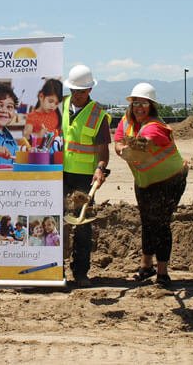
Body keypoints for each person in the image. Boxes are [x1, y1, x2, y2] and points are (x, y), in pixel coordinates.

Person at [114, 83, 187, 287]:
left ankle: (162, 272)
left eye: (144, 104)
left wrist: (134, 144)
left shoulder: (156, 126)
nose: (139, 108)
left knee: (161, 223)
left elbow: (148, 139)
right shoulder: (126, 122)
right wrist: (121, 148)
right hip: (144, 180)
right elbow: (118, 140)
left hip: (169, 180)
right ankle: (146, 266)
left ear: (151, 106)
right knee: (147, 221)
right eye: (136, 103)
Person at [61, 64, 111, 287]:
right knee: (55, 222)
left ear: (90, 89)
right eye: (74, 90)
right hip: (60, 174)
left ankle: (80, 272)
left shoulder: (98, 115)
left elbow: (103, 149)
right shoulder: (61, 106)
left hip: (84, 178)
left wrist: (100, 168)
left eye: (81, 91)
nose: (77, 95)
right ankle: (55, 269)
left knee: (82, 225)